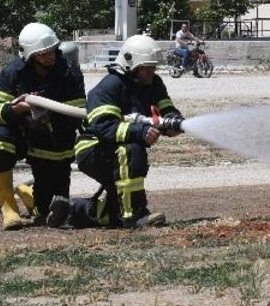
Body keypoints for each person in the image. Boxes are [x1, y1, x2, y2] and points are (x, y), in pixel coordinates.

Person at [59, 34, 183, 229]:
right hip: (92, 148)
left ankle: (74, 210)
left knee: (113, 211)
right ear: (130, 64)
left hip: (117, 148)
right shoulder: (110, 86)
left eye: (154, 67)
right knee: (131, 150)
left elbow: (166, 108)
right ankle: (135, 216)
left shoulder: (154, 83)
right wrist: (140, 132)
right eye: (147, 68)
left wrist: (174, 122)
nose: (152, 72)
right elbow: (103, 125)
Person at [0, 23, 86, 230]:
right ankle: (9, 208)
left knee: (51, 212)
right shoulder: (13, 72)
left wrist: (47, 115)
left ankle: (29, 195)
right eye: (43, 53)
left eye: (52, 51)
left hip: (53, 142)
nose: (50, 56)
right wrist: (17, 110)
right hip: (21, 135)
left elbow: (77, 115)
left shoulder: (68, 72)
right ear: (30, 55)